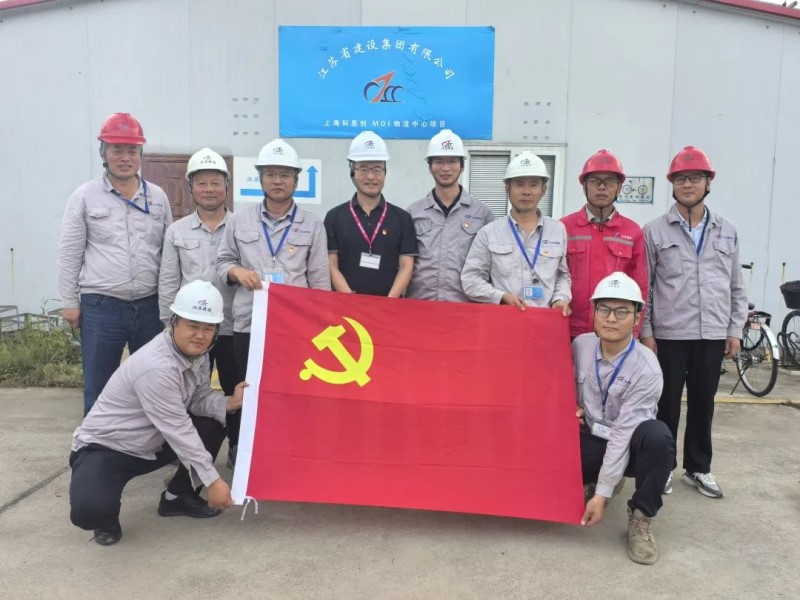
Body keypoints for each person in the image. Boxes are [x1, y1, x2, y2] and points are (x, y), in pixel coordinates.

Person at [68, 281, 248, 546]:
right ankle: (105, 516)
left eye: (208, 328)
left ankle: (177, 497)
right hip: (110, 447)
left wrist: (230, 402)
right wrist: (213, 481)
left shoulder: (198, 353)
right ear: (174, 322)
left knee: (212, 422)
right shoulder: (156, 367)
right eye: (193, 326)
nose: (200, 335)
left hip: (154, 441)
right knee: (90, 511)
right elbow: (178, 428)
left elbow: (198, 399)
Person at [641, 146, 747, 498]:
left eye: (695, 177)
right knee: (666, 403)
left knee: (704, 403)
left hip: (712, 333)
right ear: (672, 184)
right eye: (680, 178)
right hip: (669, 334)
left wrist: (734, 329)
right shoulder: (655, 231)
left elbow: (736, 284)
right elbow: (646, 286)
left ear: (708, 182)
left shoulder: (727, 230)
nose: (687, 184)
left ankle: (698, 468)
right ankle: (663, 467)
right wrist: (647, 332)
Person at [216, 139, 329, 464]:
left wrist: (316, 328)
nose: (278, 181)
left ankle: (289, 450)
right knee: (248, 390)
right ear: (261, 178)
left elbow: (320, 283)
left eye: (285, 174)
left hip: (294, 330)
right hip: (249, 324)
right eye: (270, 174)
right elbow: (222, 263)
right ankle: (245, 452)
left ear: (296, 179)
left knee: (292, 392)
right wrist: (237, 271)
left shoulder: (312, 225)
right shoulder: (239, 221)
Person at [57, 113, 172, 415]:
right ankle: (94, 442)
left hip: (149, 307)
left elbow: (169, 254)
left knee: (152, 381)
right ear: (103, 153)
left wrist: (168, 303)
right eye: (116, 149)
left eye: (132, 150)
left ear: (141, 155)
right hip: (101, 307)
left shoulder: (157, 197)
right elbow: (69, 253)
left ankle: (149, 439)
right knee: (99, 385)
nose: (125, 158)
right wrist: (70, 302)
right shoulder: (84, 196)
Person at [575, 272, 674, 565]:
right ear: (594, 312)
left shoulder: (647, 369)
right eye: (604, 309)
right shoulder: (580, 346)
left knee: (658, 438)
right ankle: (595, 479)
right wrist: (572, 408)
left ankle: (641, 516)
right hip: (592, 437)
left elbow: (621, 434)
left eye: (621, 311)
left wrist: (602, 495)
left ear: (636, 318)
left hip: (630, 447)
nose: (611, 318)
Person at [159, 148, 239, 464]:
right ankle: (187, 452)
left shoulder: (242, 227)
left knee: (235, 389)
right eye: (202, 183)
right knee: (189, 392)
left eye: (215, 182)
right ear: (191, 187)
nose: (209, 189)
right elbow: (168, 282)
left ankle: (236, 446)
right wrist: (170, 329)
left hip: (232, 326)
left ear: (226, 186)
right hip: (192, 331)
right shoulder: (176, 231)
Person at [461, 152, 571, 314]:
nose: (526, 192)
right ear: (507, 188)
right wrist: (501, 296)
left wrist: (560, 299)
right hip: (504, 320)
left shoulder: (557, 230)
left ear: (543, 190)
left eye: (533, 185)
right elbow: (470, 279)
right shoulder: (489, 233)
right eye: (519, 185)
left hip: (545, 321)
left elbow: (562, 275)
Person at [562, 150, 648, 338]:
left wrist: (633, 332)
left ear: (619, 187)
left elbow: (640, 286)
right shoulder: (564, 228)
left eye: (609, 181)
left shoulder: (632, 232)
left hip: (615, 332)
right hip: (569, 329)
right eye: (595, 181)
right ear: (584, 186)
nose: (602, 187)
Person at [324, 131, 418, 296]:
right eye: (363, 169)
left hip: (389, 306)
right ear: (352, 172)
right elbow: (331, 265)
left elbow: (406, 265)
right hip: (346, 305)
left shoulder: (402, 218)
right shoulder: (334, 217)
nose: (370, 177)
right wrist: (350, 299)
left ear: (385, 172)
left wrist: (389, 301)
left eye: (377, 169)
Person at [406, 129, 494, 302]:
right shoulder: (413, 212)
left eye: (452, 161)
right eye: (438, 161)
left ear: (462, 166)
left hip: (465, 307)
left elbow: (491, 266)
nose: (445, 168)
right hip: (420, 305)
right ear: (430, 167)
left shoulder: (482, 213)